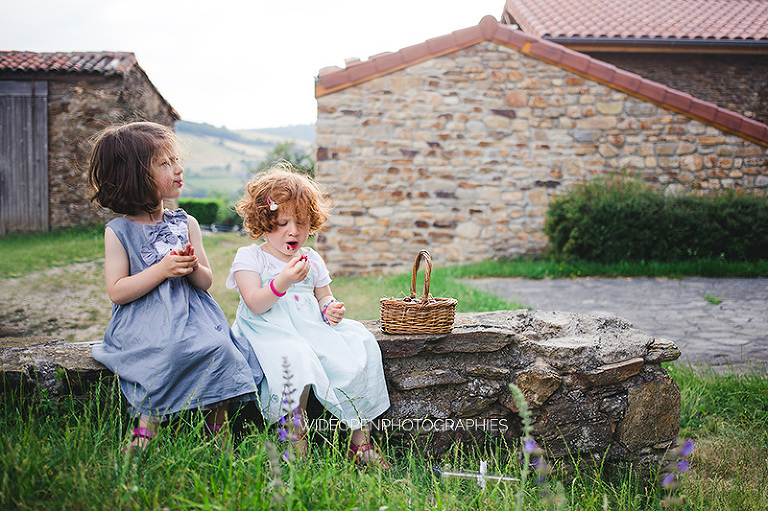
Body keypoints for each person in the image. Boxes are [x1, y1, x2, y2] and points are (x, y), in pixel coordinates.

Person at [88, 121, 263, 451]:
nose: (178, 169)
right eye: (165, 163)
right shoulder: (119, 231)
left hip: (191, 315)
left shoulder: (187, 223)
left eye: (175, 160)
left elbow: (207, 281)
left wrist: (191, 266)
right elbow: (117, 290)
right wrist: (162, 270)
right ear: (134, 176)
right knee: (165, 353)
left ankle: (219, 428)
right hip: (143, 320)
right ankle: (145, 429)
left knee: (220, 349)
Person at [227, 163, 390, 466]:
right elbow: (255, 303)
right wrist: (284, 280)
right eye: (283, 222)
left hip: (309, 326)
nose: (294, 231)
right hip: (268, 330)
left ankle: (360, 441)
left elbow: (324, 295)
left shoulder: (311, 258)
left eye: (302, 223)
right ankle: (295, 435)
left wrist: (331, 309)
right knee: (297, 357)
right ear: (264, 221)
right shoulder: (250, 257)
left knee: (361, 344)